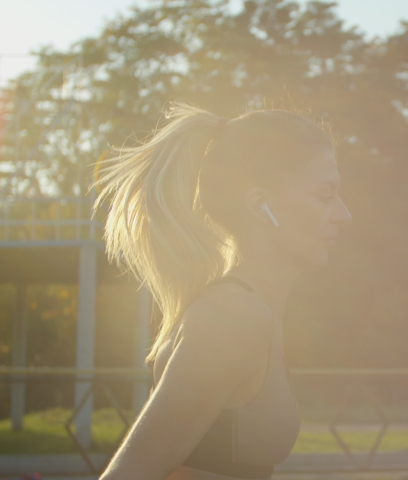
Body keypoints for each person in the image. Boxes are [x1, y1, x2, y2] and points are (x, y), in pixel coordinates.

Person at [93, 102, 352, 480]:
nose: (345, 214)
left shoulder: (249, 312)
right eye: (325, 196)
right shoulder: (233, 319)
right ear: (260, 206)